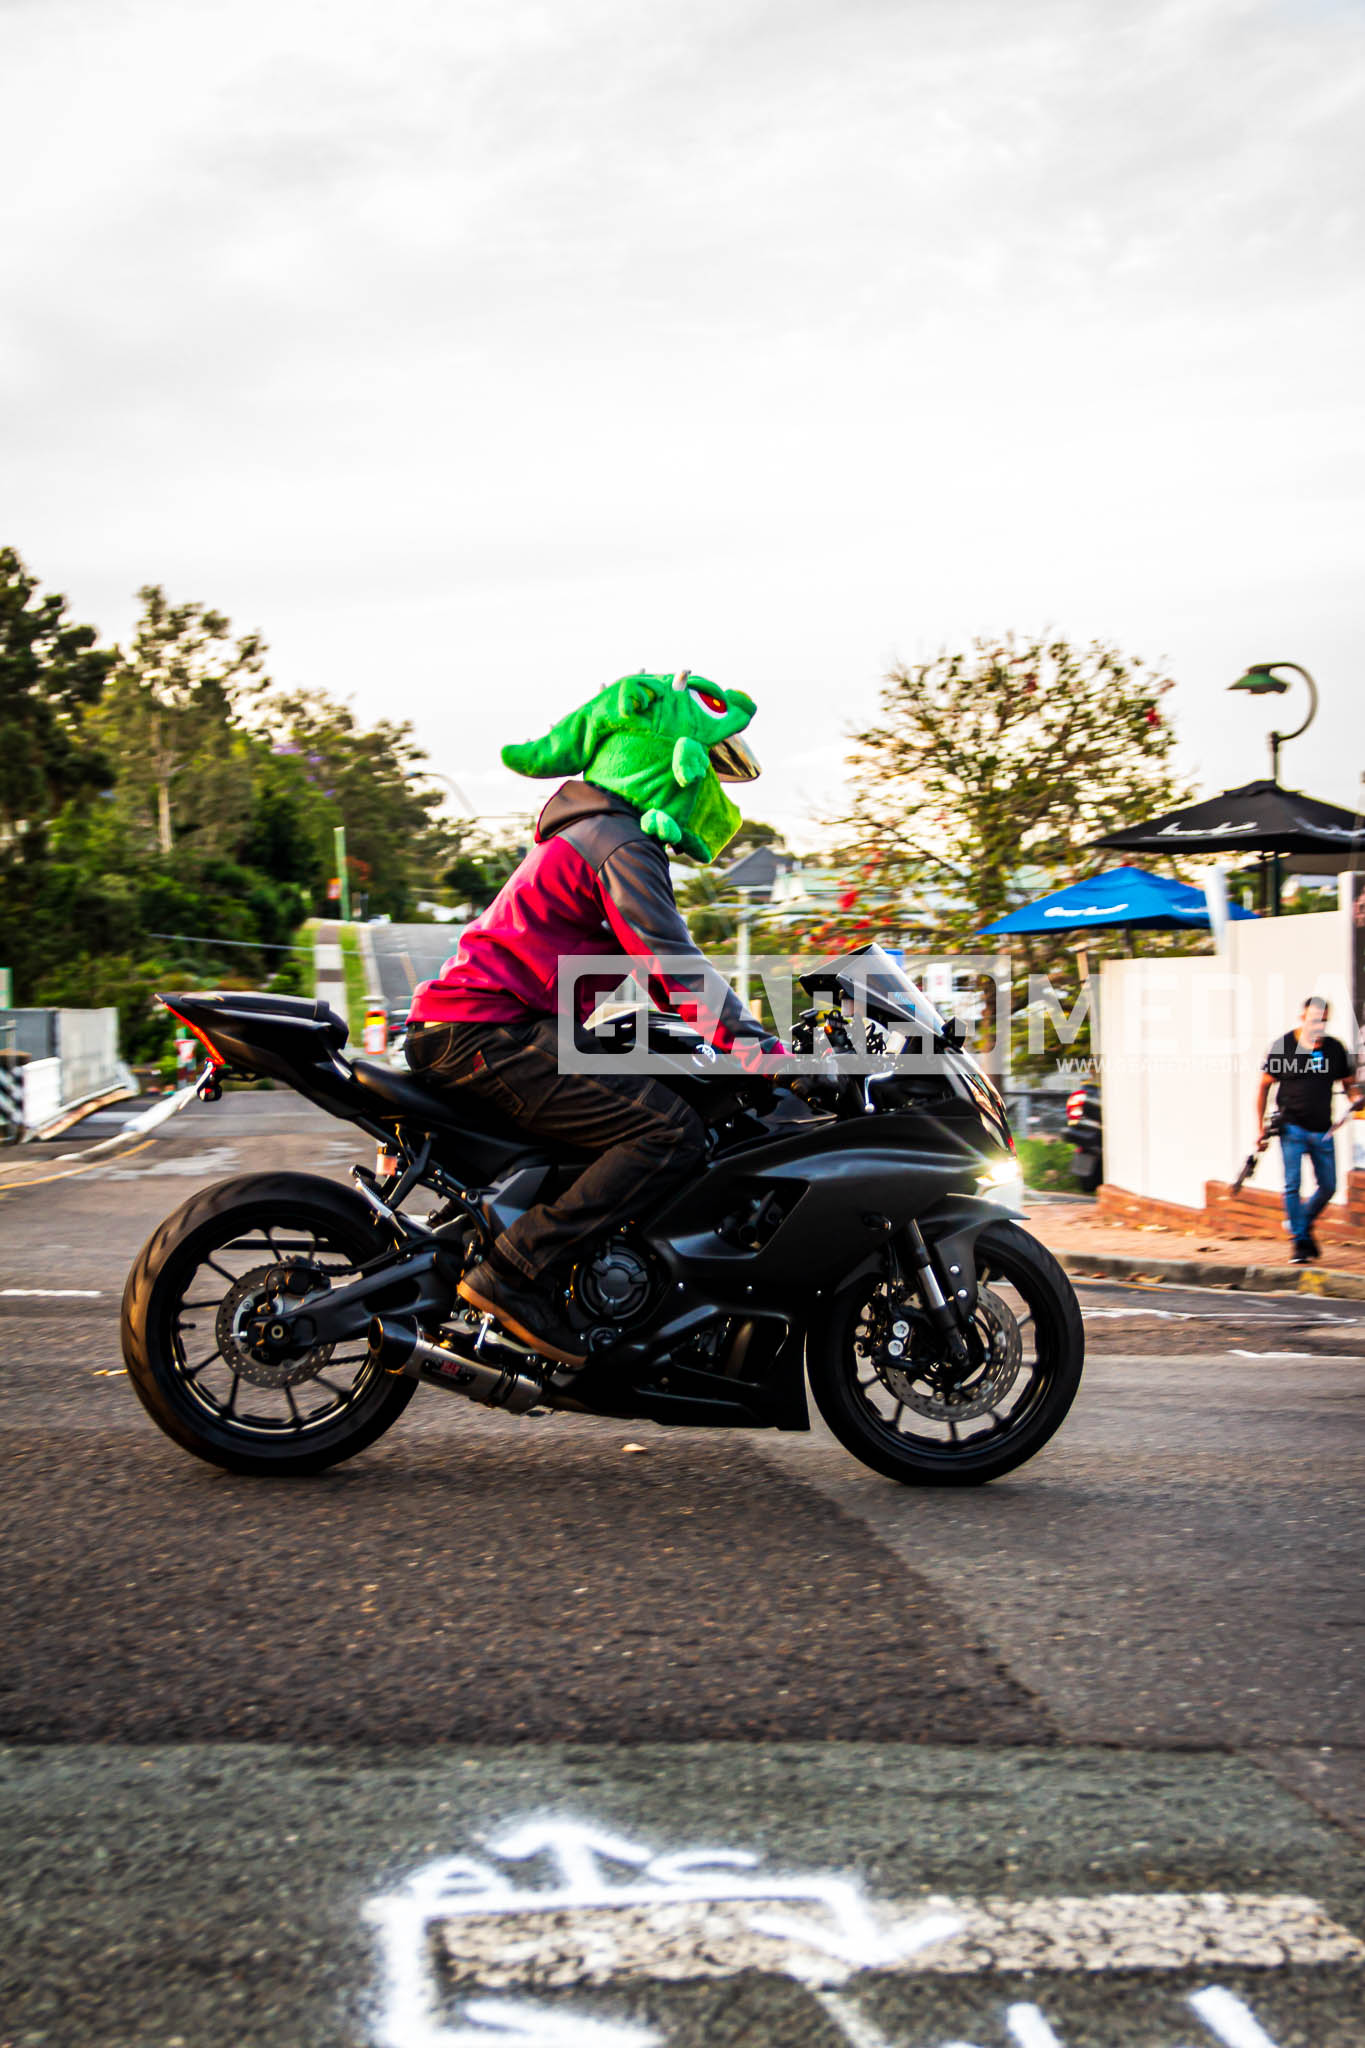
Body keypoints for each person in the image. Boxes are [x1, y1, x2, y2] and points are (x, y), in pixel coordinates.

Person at [405, 671, 783, 1366]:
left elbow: (635, 974)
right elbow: (670, 961)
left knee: (649, 1086)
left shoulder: (592, 832)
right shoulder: (620, 843)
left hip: (491, 1026)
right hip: (488, 1033)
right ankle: (514, 1271)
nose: (714, 793)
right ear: (671, 761)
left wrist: (686, 1034)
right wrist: (761, 1048)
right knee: (668, 1133)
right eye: (712, 771)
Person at [1256, 996, 1363, 1264]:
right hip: (1291, 1127)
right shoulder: (1285, 1046)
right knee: (1292, 1184)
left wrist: (1355, 1100)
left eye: (1323, 1021)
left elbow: (1348, 1084)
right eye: (1314, 1020)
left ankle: (1300, 1223)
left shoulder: (1335, 1049)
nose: (1318, 1025)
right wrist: (1260, 1128)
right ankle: (1300, 1242)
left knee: (1328, 1186)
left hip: (1323, 1130)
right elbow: (1264, 1087)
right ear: (1303, 1017)